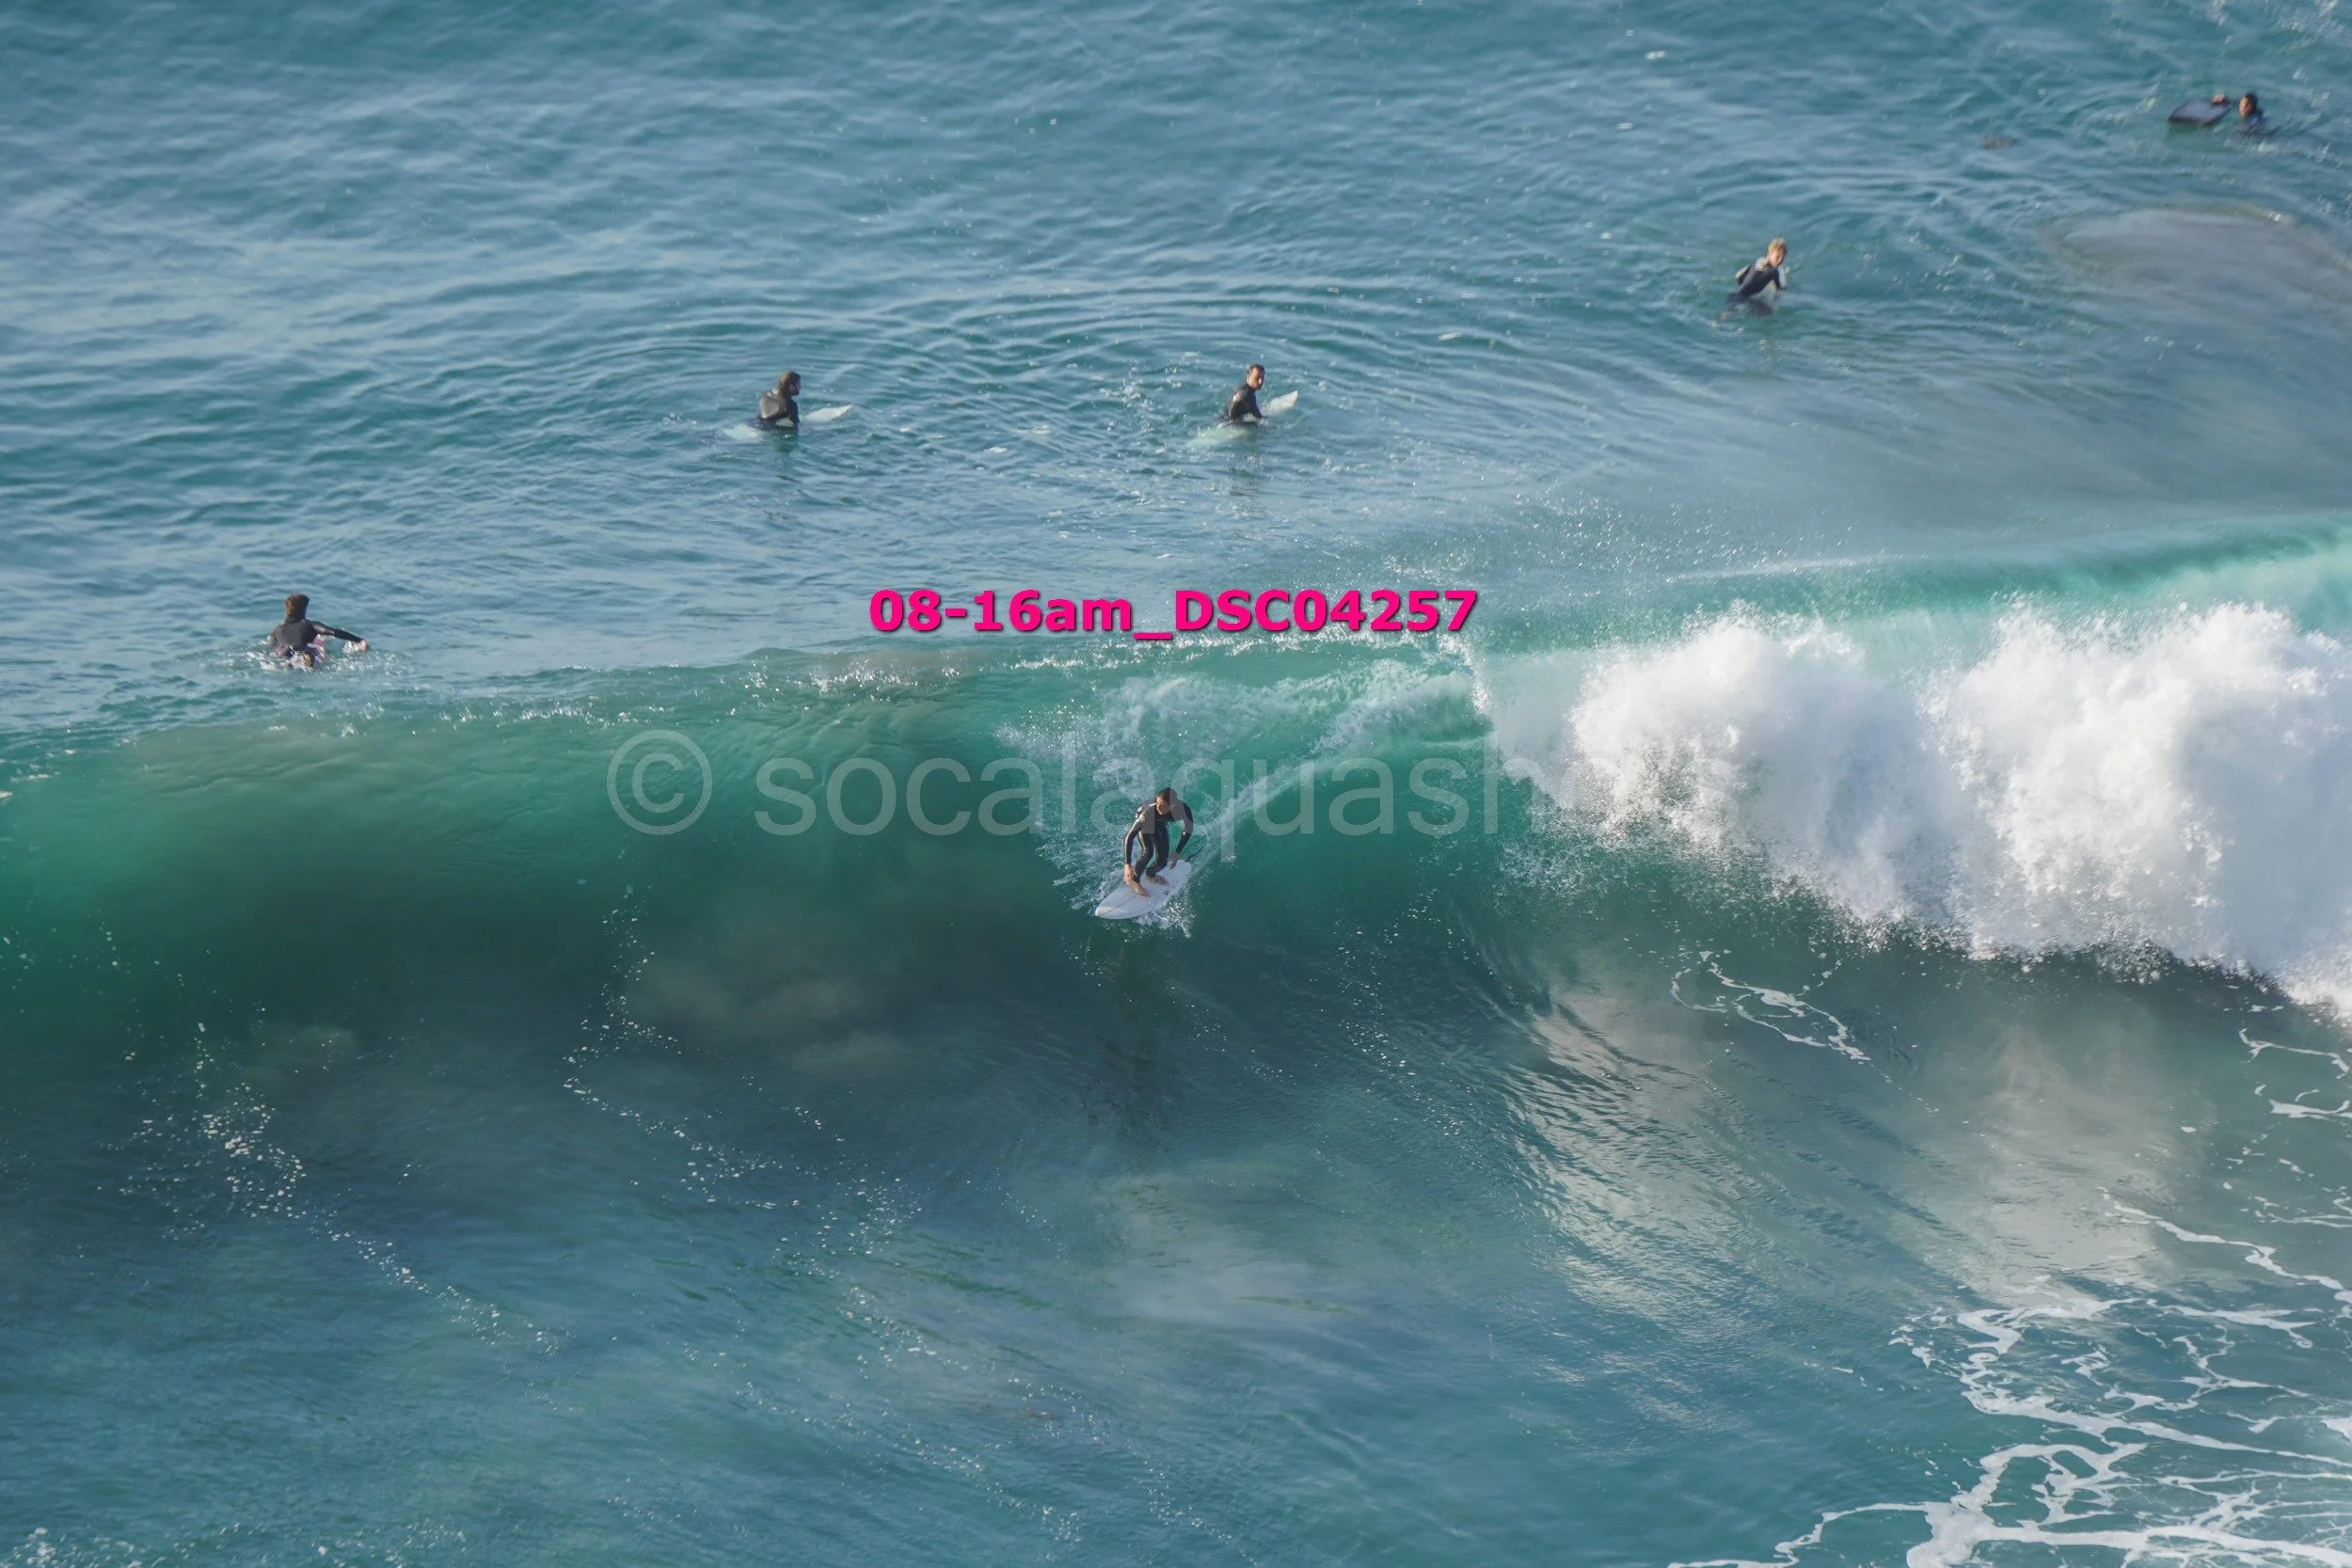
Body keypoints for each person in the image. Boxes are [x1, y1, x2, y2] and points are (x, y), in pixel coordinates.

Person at [268, 594, 367, 669]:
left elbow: (271, 646)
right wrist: (359, 640)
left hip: (283, 655)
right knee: (314, 654)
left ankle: (291, 666)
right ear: (304, 610)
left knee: (287, 661)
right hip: (302, 651)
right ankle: (307, 660)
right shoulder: (309, 624)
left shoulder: (277, 630)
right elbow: (333, 632)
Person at [1122, 787, 1194, 891]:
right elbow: (1130, 836)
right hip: (1146, 821)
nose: (1159, 808)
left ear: (1172, 806)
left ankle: (1150, 874)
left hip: (1159, 822)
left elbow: (1188, 830)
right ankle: (1135, 880)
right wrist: (1127, 864)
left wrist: (1177, 852)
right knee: (1148, 852)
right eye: (1158, 803)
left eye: (1164, 806)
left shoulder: (1183, 810)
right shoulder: (1149, 810)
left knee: (1162, 862)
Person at [1731, 239, 1790, 310]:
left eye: (1782, 258)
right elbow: (1780, 290)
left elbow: (1739, 277)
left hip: (1735, 296)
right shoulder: (1774, 272)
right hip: (1746, 301)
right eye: (1778, 257)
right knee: (1769, 311)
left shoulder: (1758, 262)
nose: (1780, 260)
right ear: (1770, 254)